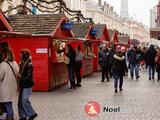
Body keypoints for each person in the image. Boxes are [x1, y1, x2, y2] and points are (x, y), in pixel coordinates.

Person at [0, 43, 19, 120]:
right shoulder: (15, 63)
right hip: (12, 87)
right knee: (9, 103)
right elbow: (17, 73)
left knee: (8, 104)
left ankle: (10, 118)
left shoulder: (3, 64)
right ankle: (9, 117)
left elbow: (0, 76)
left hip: (5, 88)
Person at [18, 49, 37, 120]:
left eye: (21, 54)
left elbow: (29, 77)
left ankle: (32, 114)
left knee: (24, 100)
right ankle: (23, 116)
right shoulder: (21, 63)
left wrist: (20, 77)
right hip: (22, 84)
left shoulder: (29, 64)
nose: (20, 55)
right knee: (20, 101)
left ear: (24, 55)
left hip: (27, 85)